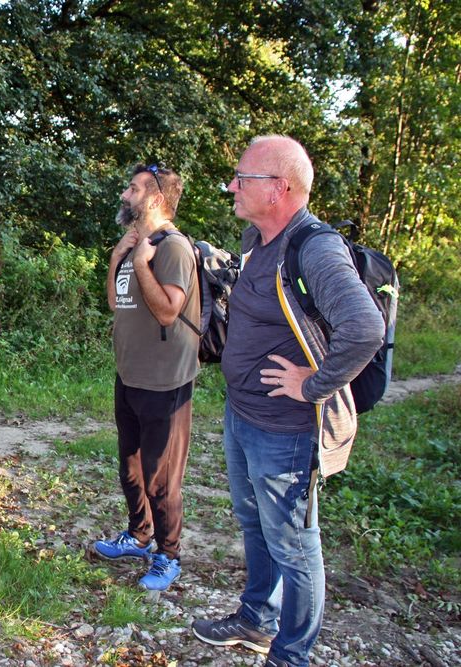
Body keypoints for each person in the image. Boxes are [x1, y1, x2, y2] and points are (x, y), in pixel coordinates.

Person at [191, 136, 384, 667]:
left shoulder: (314, 247)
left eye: (242, 178)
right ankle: (256, 620)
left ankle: (291, 655)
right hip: (242, 413)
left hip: (286, 429)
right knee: (254, 525)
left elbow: (364, 326)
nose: (232, 185)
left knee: (296, 546)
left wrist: (314, 383)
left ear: (280, 188)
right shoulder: (256, 237)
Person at [91, 164, 199, 591]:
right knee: (131, 469)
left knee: (161, 476)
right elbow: (117, 305)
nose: (124, 193)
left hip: (165, 382)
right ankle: (139, 536)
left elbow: (169, 310)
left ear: (154, 199)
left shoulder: (172, 248)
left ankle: (168, 554)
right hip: (130, 376)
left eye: (133, 188)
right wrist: (120, 258)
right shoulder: (135, 244)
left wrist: (139, 262)